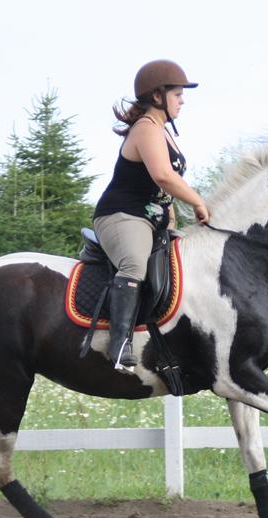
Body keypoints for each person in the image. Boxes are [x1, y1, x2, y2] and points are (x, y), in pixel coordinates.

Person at [93, 59, 211, 371]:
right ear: (157, 96)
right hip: (122, 216)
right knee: (134, 263)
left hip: (151, 219)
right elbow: (163, 177)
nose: (182, 100)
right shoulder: (145, 128)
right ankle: (119, 345)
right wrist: (198, 202)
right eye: (177, 94)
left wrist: (170, 219)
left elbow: (162, 192)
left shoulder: (165, 132)